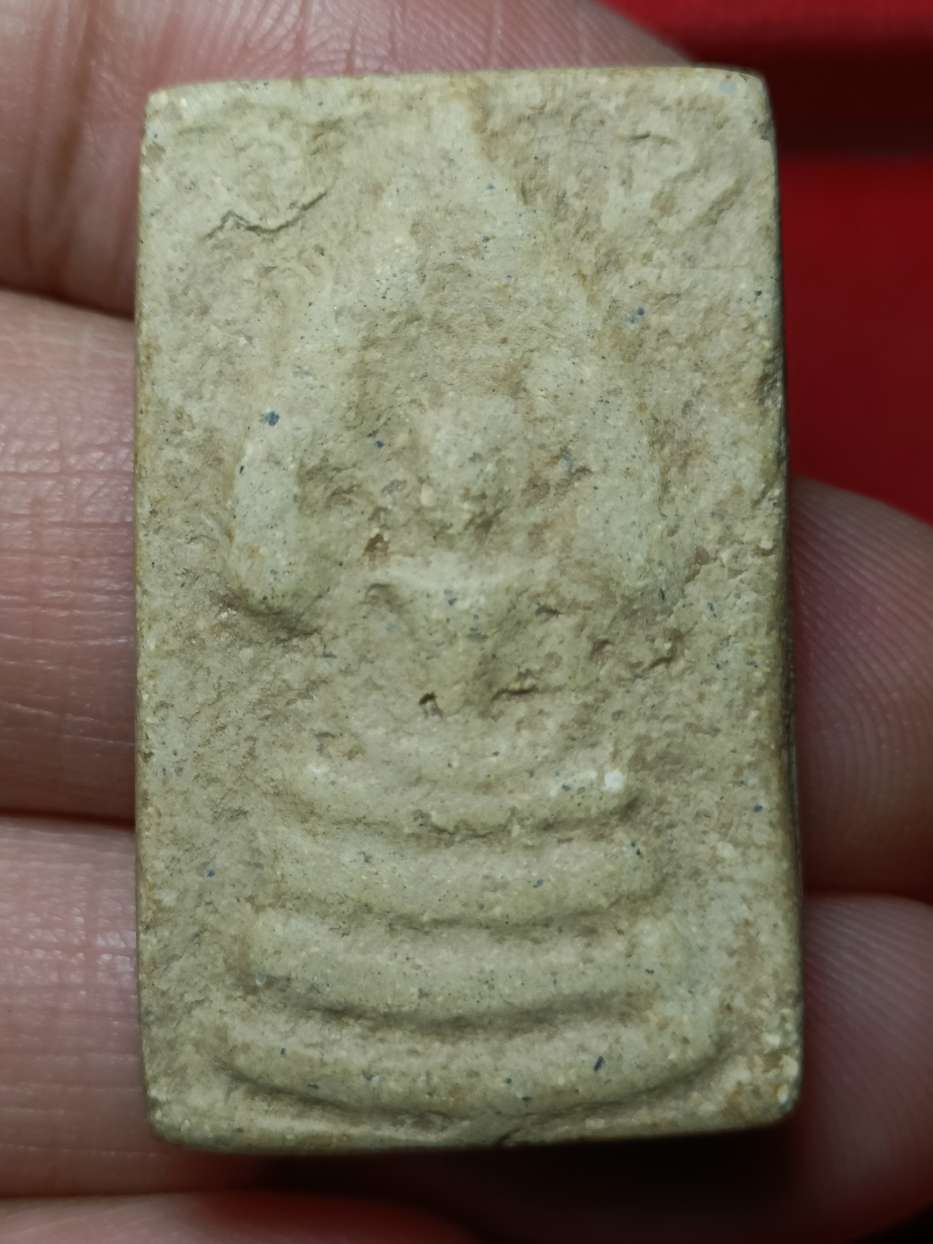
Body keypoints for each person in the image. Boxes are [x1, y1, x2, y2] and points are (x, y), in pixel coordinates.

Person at [0, 1, 930, 1241]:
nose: (462, 486)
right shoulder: (368, 551)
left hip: (537, 785)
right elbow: (264, 561)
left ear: (521, 467)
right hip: (383, 786)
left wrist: (561, 336)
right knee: (323, 892)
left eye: (487, 461)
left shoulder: (552, 548)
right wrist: (357, 316)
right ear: (407, 471)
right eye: (441, 464)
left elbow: (640, 563)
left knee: (597, 864)